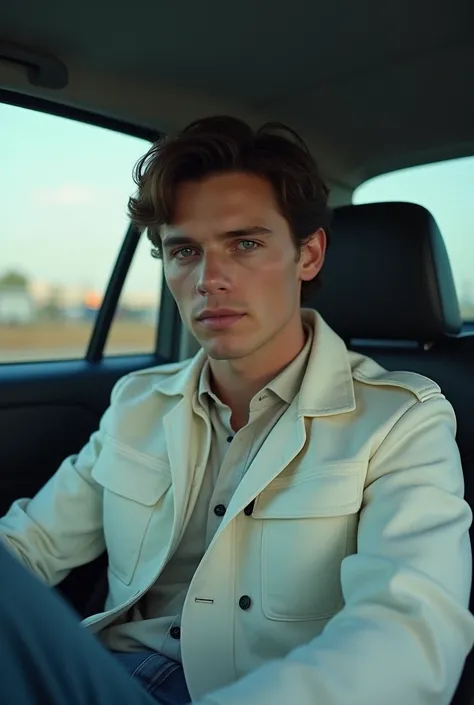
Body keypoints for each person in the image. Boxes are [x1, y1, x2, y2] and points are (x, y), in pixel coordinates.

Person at [0, 115, 473, 705]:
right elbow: (27, 547)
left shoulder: (402, 420)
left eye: (245, 244)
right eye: (185, 251)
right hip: (104, 674)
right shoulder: (138, 402)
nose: (209, 279)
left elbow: (408, 632)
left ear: (308, 254)